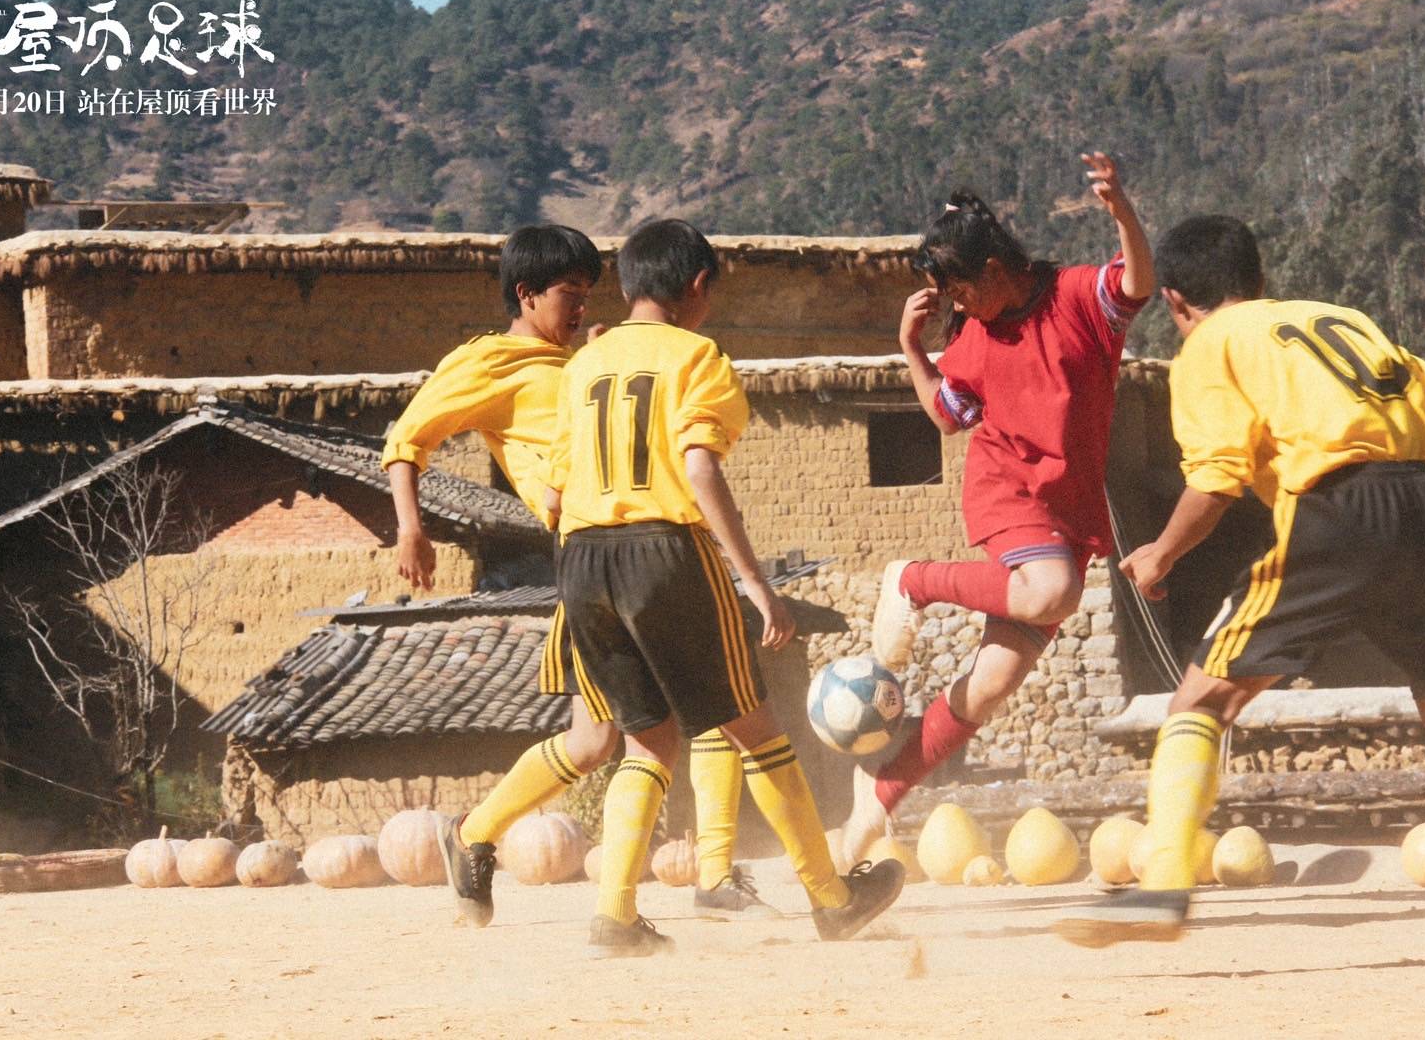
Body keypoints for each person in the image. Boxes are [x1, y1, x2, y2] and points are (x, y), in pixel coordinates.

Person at [1054, 214, 1425, 947]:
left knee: (1203, 698)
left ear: (1175, 302)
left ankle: (1164, 887)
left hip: (1337, 507)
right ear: (1260, 280)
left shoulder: (1209, 345)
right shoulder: (1342, 318)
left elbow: (1217, 480)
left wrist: (1161, 555)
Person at [382, 224, 765, 929]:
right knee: (625, 731)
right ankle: (475, 835)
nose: (583, 307)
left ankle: (713, 872)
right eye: (569, 294)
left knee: (665, 713)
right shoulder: (488, 363)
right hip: (596, 561)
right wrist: (412, 527)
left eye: (590, 293)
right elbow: (408, 439)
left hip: (642, 549)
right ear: (526, 295)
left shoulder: (585, 359)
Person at [546, 218, 906, 957]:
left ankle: (615, 916)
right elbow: (700, 466)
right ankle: (833, 899)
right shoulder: (700, 356)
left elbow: (554, 493)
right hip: (664, 552)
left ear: (626, 285)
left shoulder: (583, 365)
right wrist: (758, 584)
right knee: (756, 727)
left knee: (646, 742)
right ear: (698, 287)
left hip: (580, 558)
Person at [845, 153, 1154, 865]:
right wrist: (910, 349)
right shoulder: (974, 339)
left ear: (992, 269)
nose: (955, 307)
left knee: (987, 688)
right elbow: (948, 416)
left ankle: (878, 790)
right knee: (1051, 591)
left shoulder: (1079, 299)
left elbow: (1138, 282)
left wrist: (1121, 210)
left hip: (1066, 516)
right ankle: (913, 579)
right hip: (1007, 498)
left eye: (958, 290)